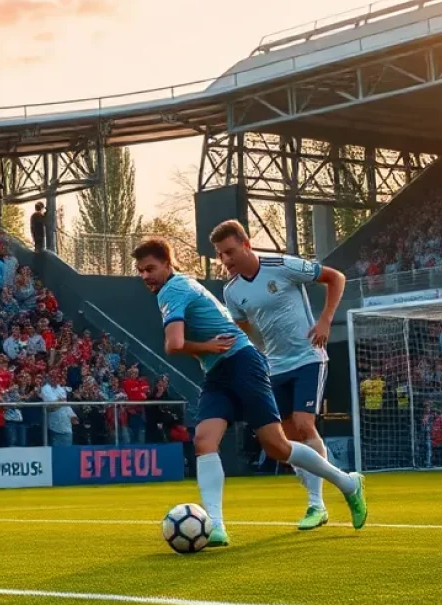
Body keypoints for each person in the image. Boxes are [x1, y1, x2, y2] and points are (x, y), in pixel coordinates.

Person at [132, 236, 366, 548]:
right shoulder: (182, 287)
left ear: (166, 264)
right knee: (204, 440)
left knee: (278, 447)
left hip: (242, 362)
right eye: (140, 271)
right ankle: (215, 526)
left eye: (150, 269)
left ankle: (347, 483)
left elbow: (173, 345)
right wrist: (208, 350)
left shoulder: (172, 290)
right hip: (218, 371)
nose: (145, 276)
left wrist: (205, 347)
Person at [214, 220, 347, 530]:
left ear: (246, 244)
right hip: (274, 366)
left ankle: (318, 502)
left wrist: (326, 320)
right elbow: (244, 327)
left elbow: (335, 277)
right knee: (285, 439)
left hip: (308, 357)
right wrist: (257, 353)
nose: (226, 260)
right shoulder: (231, 291)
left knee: (303, 424)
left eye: (230, 252)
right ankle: (323, 500)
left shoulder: (282, 265)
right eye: (221, 255)